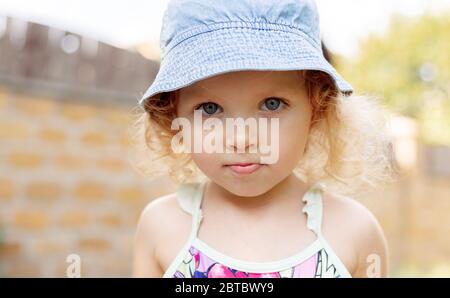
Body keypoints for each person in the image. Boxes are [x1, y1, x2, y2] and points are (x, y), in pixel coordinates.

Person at [132, 0, 392, 278]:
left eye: (271, 104)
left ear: (316, 109)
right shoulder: (161, 227)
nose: (242, 139)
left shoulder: (354, 232)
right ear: (175, 119)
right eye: (210, 108)